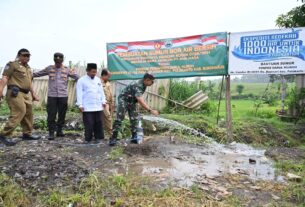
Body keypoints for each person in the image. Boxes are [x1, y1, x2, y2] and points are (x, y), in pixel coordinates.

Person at [33, 52, 79, 140]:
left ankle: (59, 130)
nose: (58, 62)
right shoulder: (49, 68)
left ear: (62, 60)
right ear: (54, 59)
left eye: (59, 60)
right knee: (51, 114)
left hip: (63, 96)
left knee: (62, 114)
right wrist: (29, 75)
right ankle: (51, 132)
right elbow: (38, 74)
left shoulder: (67, 69)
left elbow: (77, 77)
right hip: (52, 96)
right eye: (56, 60)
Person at [0, 48, 40, 146]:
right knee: (19, 111)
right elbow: (5, 77)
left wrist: (33, 94)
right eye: (24, 55)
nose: (27, 57)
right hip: (15, 93)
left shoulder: (28, 68)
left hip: (26, 94)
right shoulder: (12, 64)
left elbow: (29, 82)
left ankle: (27, 134)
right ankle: (4, 135)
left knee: (29, 112)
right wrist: (0, 90)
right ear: (19, 55)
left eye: (28, 55)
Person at [109, 73, 159, 146]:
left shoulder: (144, 84)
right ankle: (113, 138)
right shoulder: (138, 85)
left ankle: (134, 137)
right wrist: (150, 110)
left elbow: (137, 98)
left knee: (134, 119)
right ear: (147, 80)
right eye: (152, 81)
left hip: (132, 101)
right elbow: (140, 99)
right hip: (124, 100)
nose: (152, 83)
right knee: (119, 119)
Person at [76, 63, 106, 143]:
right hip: (87, 107)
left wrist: (103, 101)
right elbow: (79, 93)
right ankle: (88, 139)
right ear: (87, 71)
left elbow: (101, 92)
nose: (94, 74)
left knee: (99, 123)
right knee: (89, 123)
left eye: (95, 72)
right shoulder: (81, 80)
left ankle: (98, 138)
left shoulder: (98, 80)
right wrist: (80, 104)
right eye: (92, 72)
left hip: (98, 105)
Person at [100, 69, 113, 138]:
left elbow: (110, 94)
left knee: (108, 117)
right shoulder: (98, 82)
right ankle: (111, 134)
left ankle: (103, 134)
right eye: (108, 76)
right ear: (103, 75)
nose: (109, 78)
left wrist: (111, 104)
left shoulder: (107, 83)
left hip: (109, 103)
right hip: (102, 104)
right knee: (108, 118)